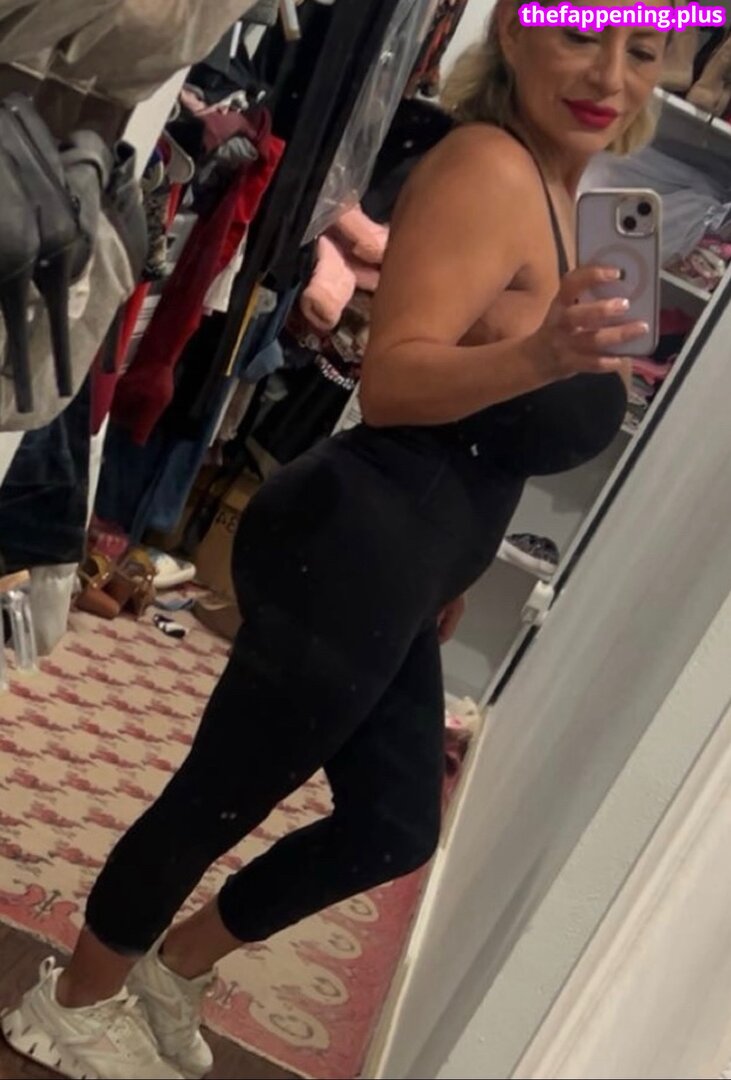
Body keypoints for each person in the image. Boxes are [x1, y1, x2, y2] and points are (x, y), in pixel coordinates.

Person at [3, 3, 669, 1078]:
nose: (609, 75)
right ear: (513, 36)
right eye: (580, 35)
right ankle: (70, 1002)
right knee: (221, 794)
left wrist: (450, 569)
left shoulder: (575, 200)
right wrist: (543, 355)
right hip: (353, 540)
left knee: (394, 823)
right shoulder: (486, 168)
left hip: (410, 560)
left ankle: (177, 966)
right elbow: (396, 381)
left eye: (641, 50)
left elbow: (496, 434)